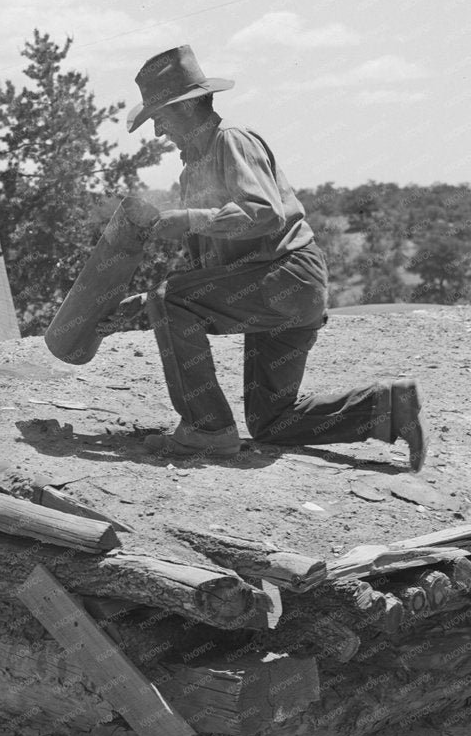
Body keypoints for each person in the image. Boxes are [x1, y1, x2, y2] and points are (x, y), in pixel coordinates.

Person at [126, 45, 426, 468]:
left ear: (189, 105)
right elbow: (204, 278)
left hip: (286, 276)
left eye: (160, 117)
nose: (157, 132)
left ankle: (207, 430)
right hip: (276, 286)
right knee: (271, 421)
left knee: (168, 297)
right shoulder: (192, 169)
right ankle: (388, 407)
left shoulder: (230, 139)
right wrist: (143, 305)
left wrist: (189, 222)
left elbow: (265, 213)